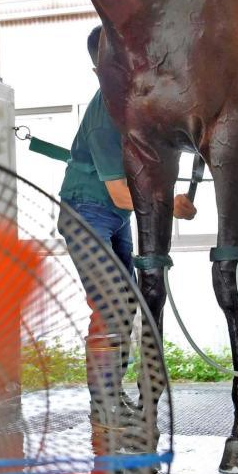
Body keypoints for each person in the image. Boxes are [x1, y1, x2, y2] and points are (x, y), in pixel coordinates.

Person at [57, 25, 197, 423]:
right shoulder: (105, 115)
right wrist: (171, 205)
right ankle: (104, 404)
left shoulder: (137, 104)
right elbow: (122, 194)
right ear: (100, 69)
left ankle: (111, 396)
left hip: (115, 216)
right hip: (88, 211)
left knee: (126, 304)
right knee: (110, 304)